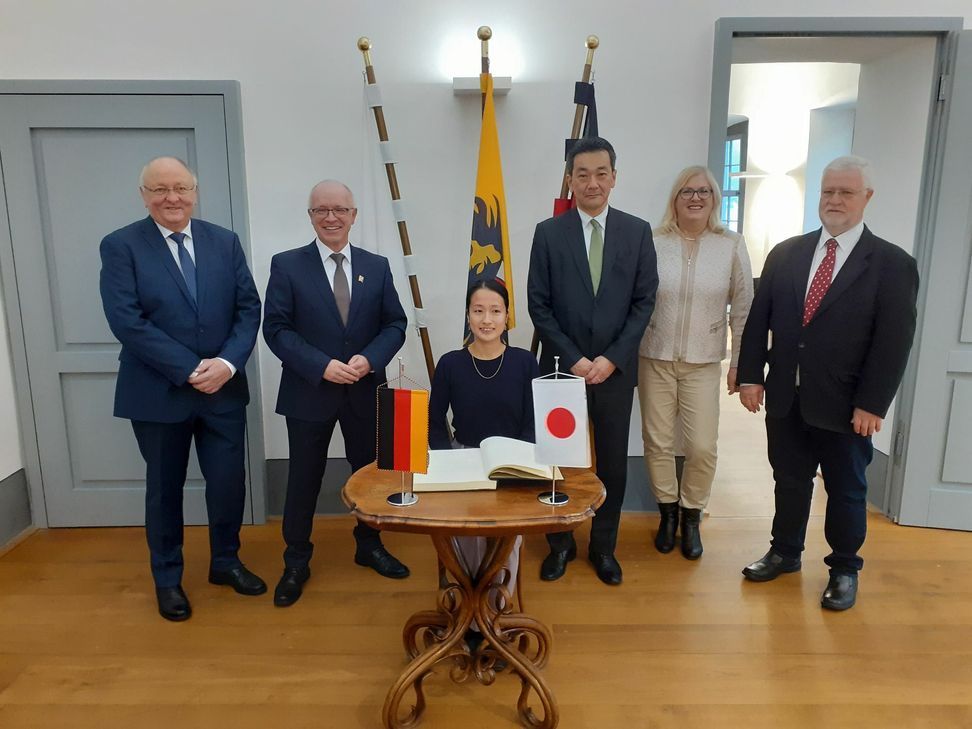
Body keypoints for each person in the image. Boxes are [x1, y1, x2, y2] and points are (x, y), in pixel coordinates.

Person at [737, 156, 919, 611]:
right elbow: (759, 321)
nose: (834, 200)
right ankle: (785, 551)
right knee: (789, 479)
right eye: (828, 192)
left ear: (866, 199)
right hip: (785, 397)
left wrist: (873, 404)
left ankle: (843, 568)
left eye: (846, 193)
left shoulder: (892, 265)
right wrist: (749, 377)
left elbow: (893, 343)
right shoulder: (786, 253)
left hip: (846, 405)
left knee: (847, 489)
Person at [99, 156, 264, 622]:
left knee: (229, 484)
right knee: (164, 489)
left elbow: (248, 309)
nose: (172, 198)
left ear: (195, 190)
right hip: (158, 393)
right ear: (144, 195)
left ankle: (226, 562)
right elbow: (126, 321)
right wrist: (191, 368)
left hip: (224, 392)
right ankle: (168, 579)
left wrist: (228, 363)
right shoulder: (121, 246)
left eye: (180, 188)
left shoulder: (223, 241)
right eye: (159, 189)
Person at [263, 179, 409, 608]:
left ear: (353, 215)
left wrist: (369, 359)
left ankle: (369, 545)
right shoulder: (287, 265)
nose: (331, 217)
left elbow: (395, 325)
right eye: (321, 210)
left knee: (369, 474)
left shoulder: (377, 266)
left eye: (339, 210)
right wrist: (321, 365)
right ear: (310, 216)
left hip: (365, 391)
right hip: (310, 391)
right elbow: (276, 329)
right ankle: (296, 560)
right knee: (303, 478)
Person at [527, 136, 658, 585]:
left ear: (614, 178)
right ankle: (559, 544)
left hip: (615, 373)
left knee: (613, 465)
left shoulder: (637, 232)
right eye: (582, 174)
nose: (592, 182)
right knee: (557, 462)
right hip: (563, 370)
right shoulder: (548, 233)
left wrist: (610, 359)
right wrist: (577, 359)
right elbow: (538, 305)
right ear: (570, 180)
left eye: (601, 173)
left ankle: (604, 547)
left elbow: (644, 303)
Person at [638, 166, 753, 559]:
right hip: (654, 355)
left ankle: (692, 514)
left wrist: (740, 361)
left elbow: (743, 308)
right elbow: (636, 301)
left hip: (703, 361)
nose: (696, 198)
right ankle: (667, 513)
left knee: (702, 446)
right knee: (657, 442)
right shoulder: (652, 242)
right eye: (687, 190)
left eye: (704, 191)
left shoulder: (731, 245)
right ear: (675, 198)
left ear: (715, 199)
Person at [429, 279, 540, 608]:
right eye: (478, 311)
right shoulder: (450, 363)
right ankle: (465, 610)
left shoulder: (524, 362)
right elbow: (434, 420)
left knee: (504, 543)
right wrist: (448, 463)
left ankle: (495, 613)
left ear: (507, 316)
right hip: (465, 461)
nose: (487, 320)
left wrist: (519, 467)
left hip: (512, 464)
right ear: (468, 316)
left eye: (495, 311)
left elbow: (533, 423)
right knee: (466, 540)